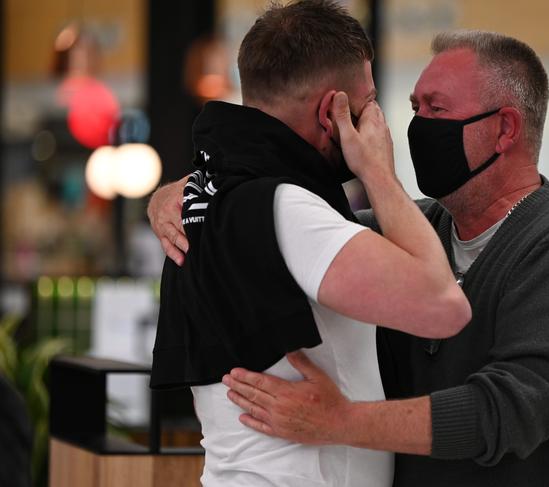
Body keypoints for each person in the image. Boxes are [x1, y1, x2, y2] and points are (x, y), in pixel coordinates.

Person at [149, 29, 549, 487]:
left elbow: (509, 411)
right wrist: (183, 195)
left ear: (506, 128)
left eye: (436, 109)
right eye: (413, 107)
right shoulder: (413, 230)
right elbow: (287, 230)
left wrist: (339, 421)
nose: (415, 126)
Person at [149, 2, 470, 486]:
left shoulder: (206, 197)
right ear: (332, 113)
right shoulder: (287, 210)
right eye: (369, 105)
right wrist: (379, 171)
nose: (376, 122)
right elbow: (445, 307)